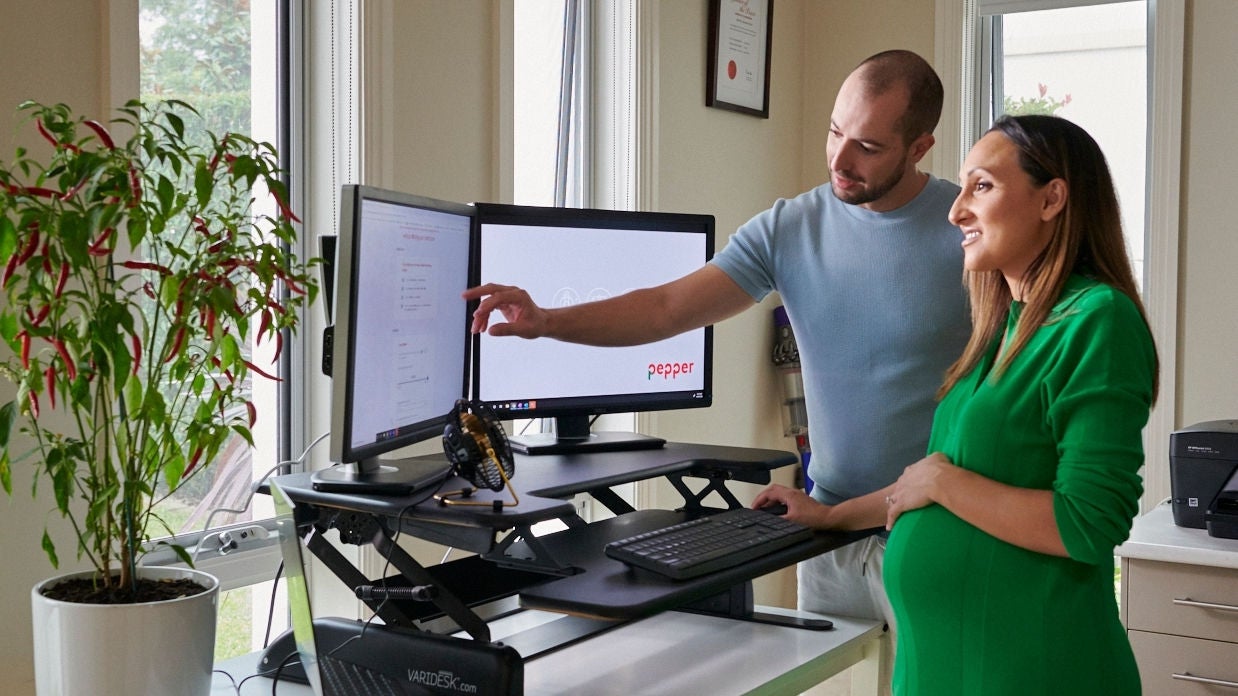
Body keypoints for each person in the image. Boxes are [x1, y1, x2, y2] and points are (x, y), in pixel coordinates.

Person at [465, 50, 971, 691]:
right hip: (826, 532)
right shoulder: (792, 227)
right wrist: (545, 322)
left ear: (920, 145)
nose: (840, 160)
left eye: (868, 146)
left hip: (937, 535)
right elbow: (665, 308)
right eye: (835, 132)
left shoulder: (968, 233)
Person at [757, 114, 1157, 694]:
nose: (956, 210)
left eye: (982, 186)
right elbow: (935, 478)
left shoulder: (1098, 319)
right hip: (946, 667)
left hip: (1032, 667)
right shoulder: (1003, 325)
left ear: (1052, 199)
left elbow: (1089, 524)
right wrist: (829, 516)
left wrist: (945, 485)